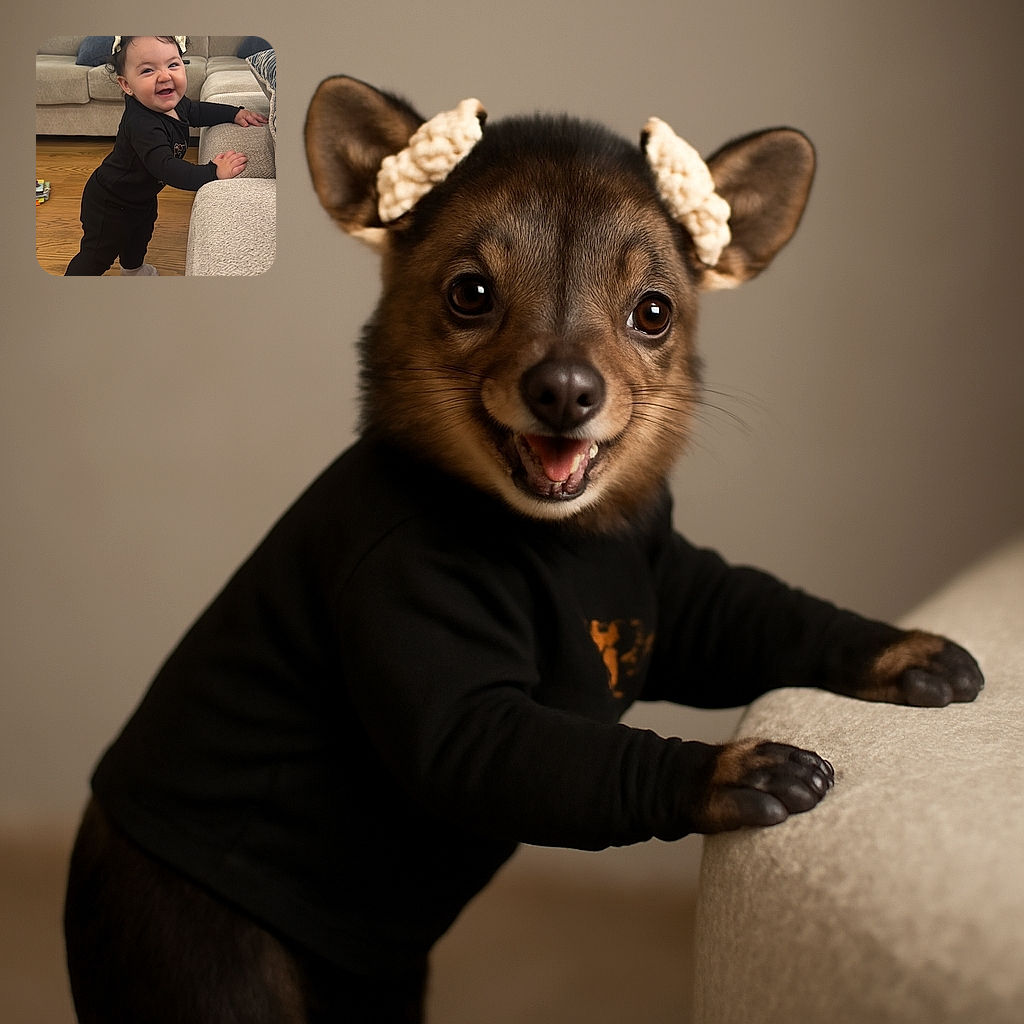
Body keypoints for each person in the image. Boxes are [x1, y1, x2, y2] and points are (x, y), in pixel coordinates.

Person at [64, 36, 268, 276]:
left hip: (141, 195)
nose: (164, 76)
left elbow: (197, 111)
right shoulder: (142, 124)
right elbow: (166, 168)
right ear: (126, 85)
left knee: (140, 235)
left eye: (173, 64)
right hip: (110, 202)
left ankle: (133, 270)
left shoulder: (176, 104)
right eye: (148, 70)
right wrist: (212, 172)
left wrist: (234, 113)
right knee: (97, 255)